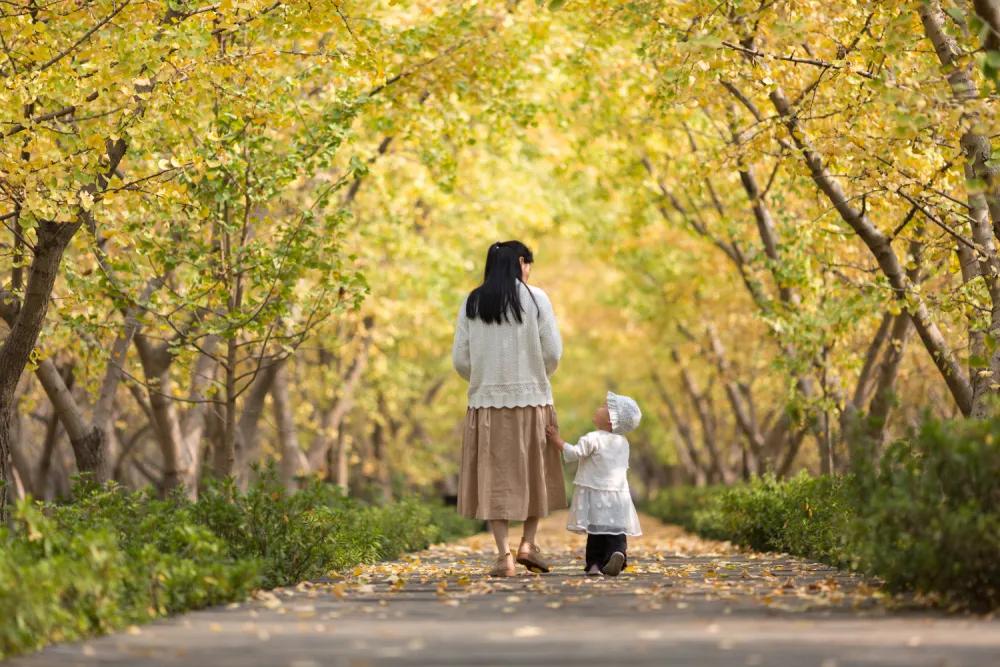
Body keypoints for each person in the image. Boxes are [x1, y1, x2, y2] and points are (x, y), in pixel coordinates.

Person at [452, 240, 566, 577]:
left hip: (486, 405)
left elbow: (460, 359)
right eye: (529, 263)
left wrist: (483, 379)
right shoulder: (536, 298)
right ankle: (528, 544)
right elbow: (554, 352)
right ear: (520, 262)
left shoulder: (472, 301)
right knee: (536, 472)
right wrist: (535, 375)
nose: (530, 271)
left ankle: (504, 557)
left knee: (493, 478)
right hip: (534, 400)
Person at [545, 391, 642, 577]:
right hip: (618, 495)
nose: (599, 407)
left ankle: (594, 565)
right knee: (616, 530)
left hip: (596, 493)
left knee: (596, 531)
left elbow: (574, 453)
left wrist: (556, 439)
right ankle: (618, 553)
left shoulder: (593, 438)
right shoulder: (623, 442)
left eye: (604, 406)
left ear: (610, 421)